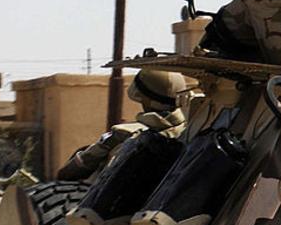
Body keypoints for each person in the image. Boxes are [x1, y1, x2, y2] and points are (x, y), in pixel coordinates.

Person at [56, 68, 187, 182]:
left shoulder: (124, 135)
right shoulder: (195, 132)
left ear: (139, 94)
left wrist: (105, 145)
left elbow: (67, 174)